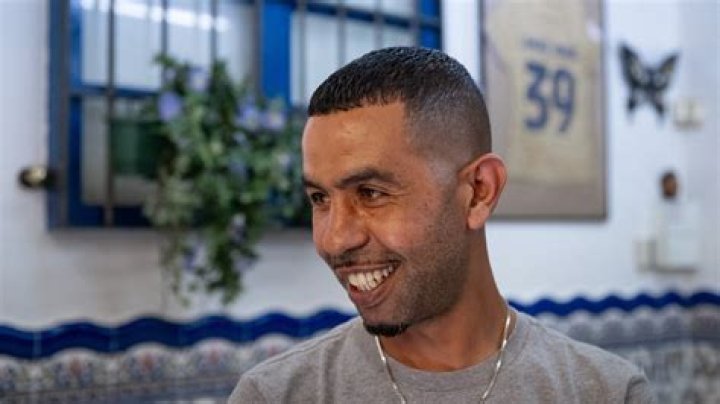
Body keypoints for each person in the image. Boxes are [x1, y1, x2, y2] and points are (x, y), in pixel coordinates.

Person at [229, 47, 655, 403]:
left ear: (479, 191)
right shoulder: (274, 396)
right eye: (319, 199)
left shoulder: (607, 393)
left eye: (371, 193)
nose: (335, 239)